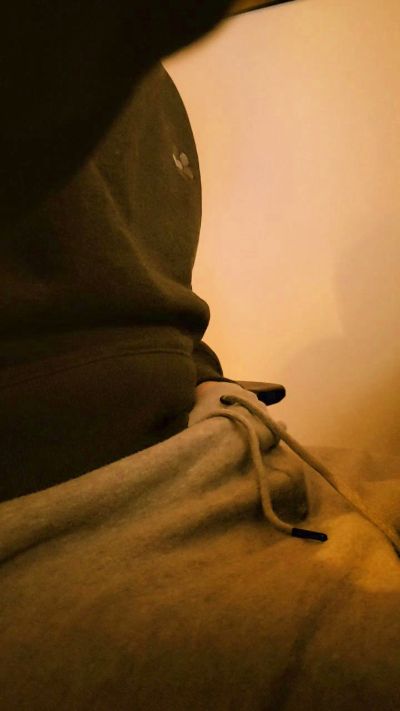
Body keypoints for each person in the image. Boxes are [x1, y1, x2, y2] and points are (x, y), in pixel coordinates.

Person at [0, 1, 246, 502]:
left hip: (184, 435)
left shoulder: (144, 79)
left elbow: (151, 286)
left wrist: (207, 377)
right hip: (54, 485)